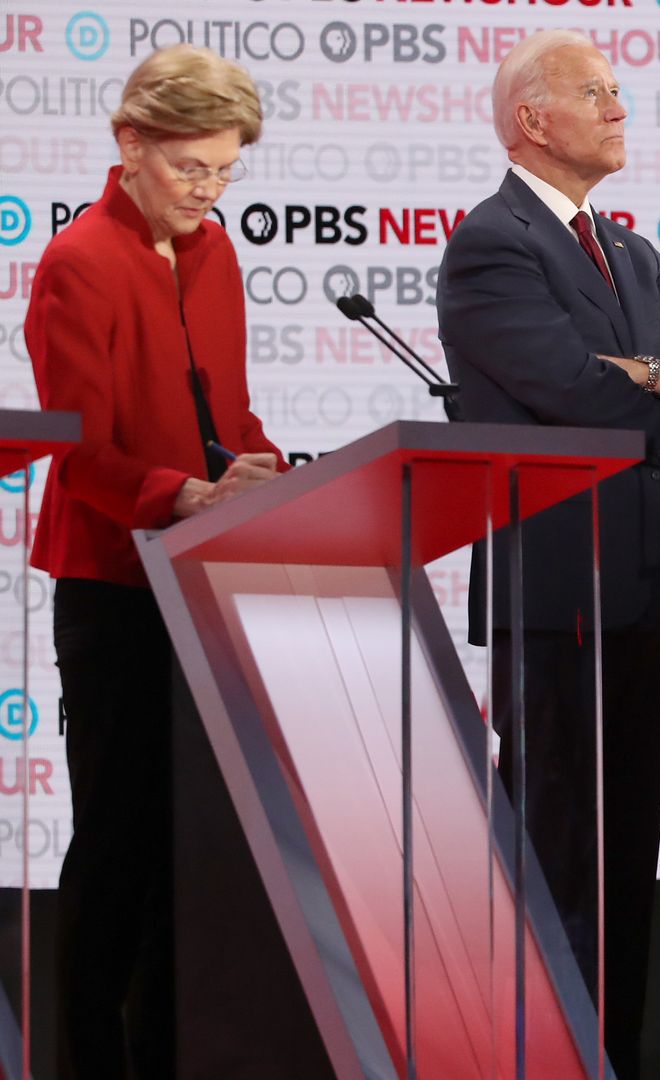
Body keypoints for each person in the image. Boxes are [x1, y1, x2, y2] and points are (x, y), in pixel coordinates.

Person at [436, 29, 660, 1074]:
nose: (621, 108)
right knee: (556, 849)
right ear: (535, 119)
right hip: (557, 588)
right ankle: (537, 1056)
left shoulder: (628, 251)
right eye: (598, 92)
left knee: (627, 859)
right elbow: (571, 392)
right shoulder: (494, 244)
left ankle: (606, 1055)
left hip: (644, 589)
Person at [25, 45, 285, 1078]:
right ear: (129, 142)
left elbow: (224, 411)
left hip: (206, 583)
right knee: (120, 849)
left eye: (224, 172)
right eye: (192, 168)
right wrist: (182, 494)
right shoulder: (78, 260)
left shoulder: (216, 254)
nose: (209, 192)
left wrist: (265, 472)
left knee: (194, 861)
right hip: (114, 586)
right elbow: (76, 448)